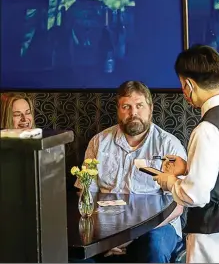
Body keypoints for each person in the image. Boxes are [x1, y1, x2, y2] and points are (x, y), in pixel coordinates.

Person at [153, 45, 219, 263]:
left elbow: (196, 195)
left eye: (182, 86)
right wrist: (188, 167)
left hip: (217, 230)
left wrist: (169, 181)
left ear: (189, 85)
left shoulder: (206, 129)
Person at [75, 81, 187, 263]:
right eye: (126, 106)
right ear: (118, 110)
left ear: (150, 108)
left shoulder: (169, 145)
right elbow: (86, 193)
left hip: (156, 227)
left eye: (139, 106)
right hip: (105, 228)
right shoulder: (98, 143)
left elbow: (178, 204)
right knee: (74, 255)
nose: (133, 113)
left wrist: (132, 235)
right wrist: (103, 237)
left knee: (153, 246)